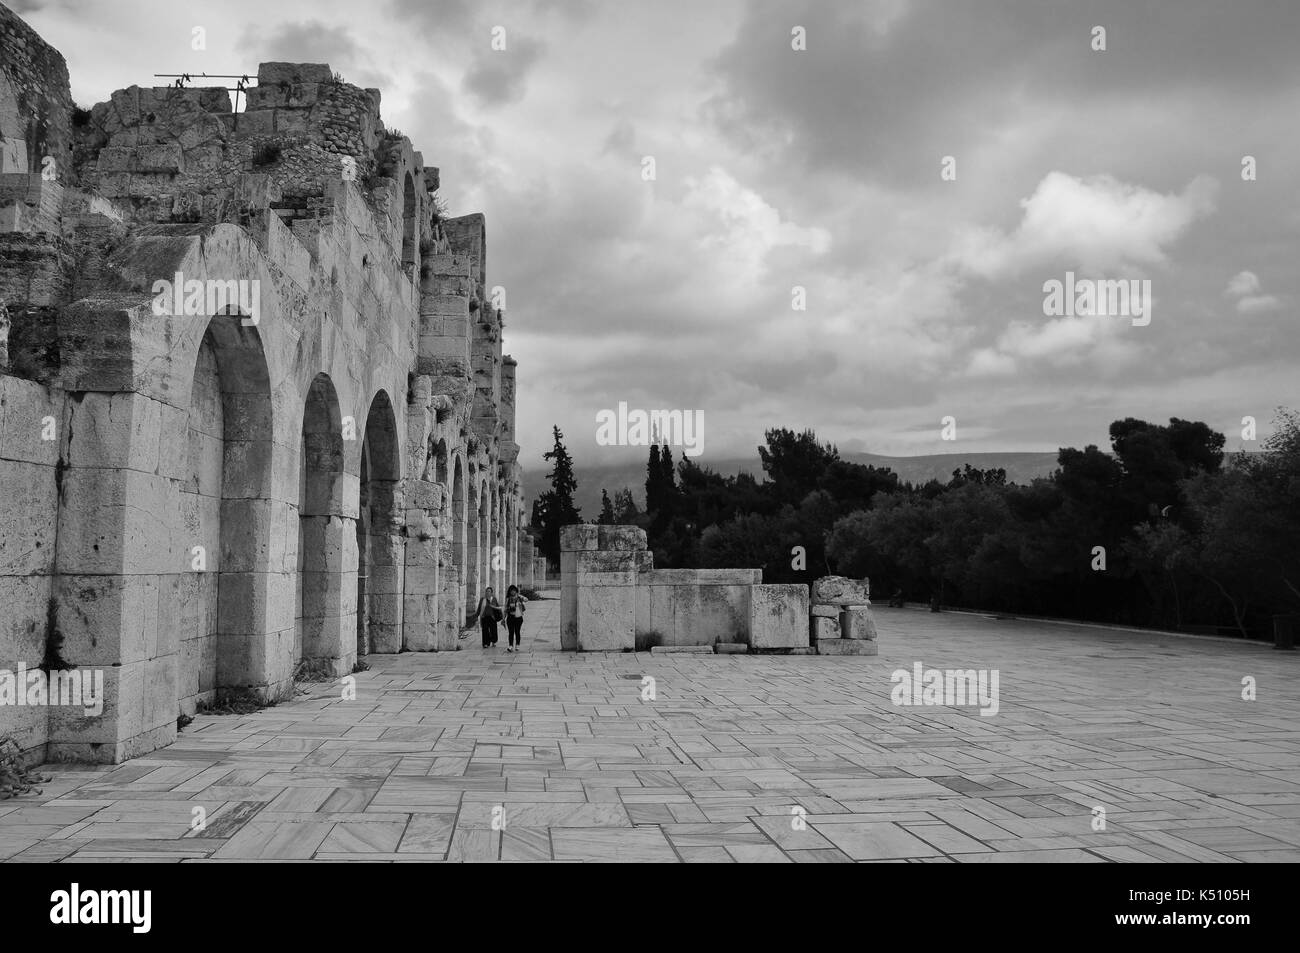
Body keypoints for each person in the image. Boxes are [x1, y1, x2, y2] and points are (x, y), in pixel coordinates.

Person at [504, 585, 528, 652]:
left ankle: (517, 645)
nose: (513, 592)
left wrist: (520, 596)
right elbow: (505, 609)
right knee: (511, 632)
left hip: (518, 618)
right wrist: (503, 618)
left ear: (516, 591)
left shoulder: (519, 597)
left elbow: (527, 600)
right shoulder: (508, 599)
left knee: (517, 631)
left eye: (514, 590)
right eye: (511, 591)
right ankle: (510, 646)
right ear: (509, 591)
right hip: (510, 617)